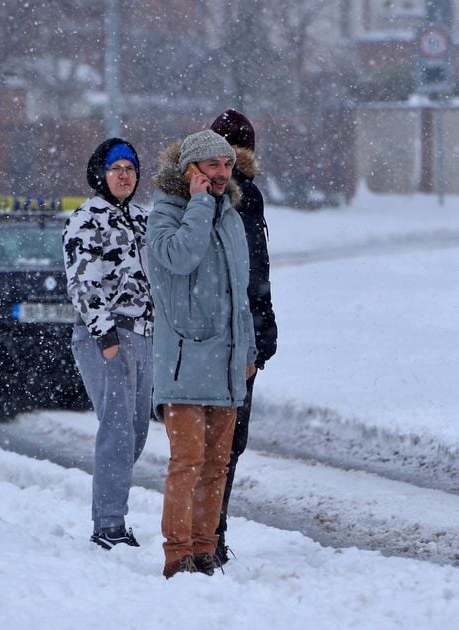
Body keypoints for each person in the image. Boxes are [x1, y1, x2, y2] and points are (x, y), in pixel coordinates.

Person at [145, 129, 256, 578]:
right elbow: (179, 258)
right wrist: (199, 204)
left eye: (227, 165)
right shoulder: (165, 214)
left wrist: (246, 349)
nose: (222, 173)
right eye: (212, 165)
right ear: (190, 170)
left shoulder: (229, 214)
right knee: (187, 462)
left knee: (217, 465)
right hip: (185, 359)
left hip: (227, 361)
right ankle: (177, 554)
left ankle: (206, 551)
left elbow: (239, 292)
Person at [63, 138, 154, 551]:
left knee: (135, 434)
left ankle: (110, 506)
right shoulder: (87, 218)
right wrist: (106, 336)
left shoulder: (142, 218)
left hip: (145, 336)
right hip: (108, 337)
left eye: (130, 169)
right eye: (116, 168)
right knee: (117, 431)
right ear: (101, 174)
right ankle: (109, 526)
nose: (124, 175)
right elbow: (84, 282)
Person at [208, 109, 278, 566]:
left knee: (205, 441)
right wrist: (262, 333)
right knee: (227, 441)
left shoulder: (197, 193)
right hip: (236, 339)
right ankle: (211, 535)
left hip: (205, 334)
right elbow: (253, 275)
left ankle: (202, 532)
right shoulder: (245, 196)